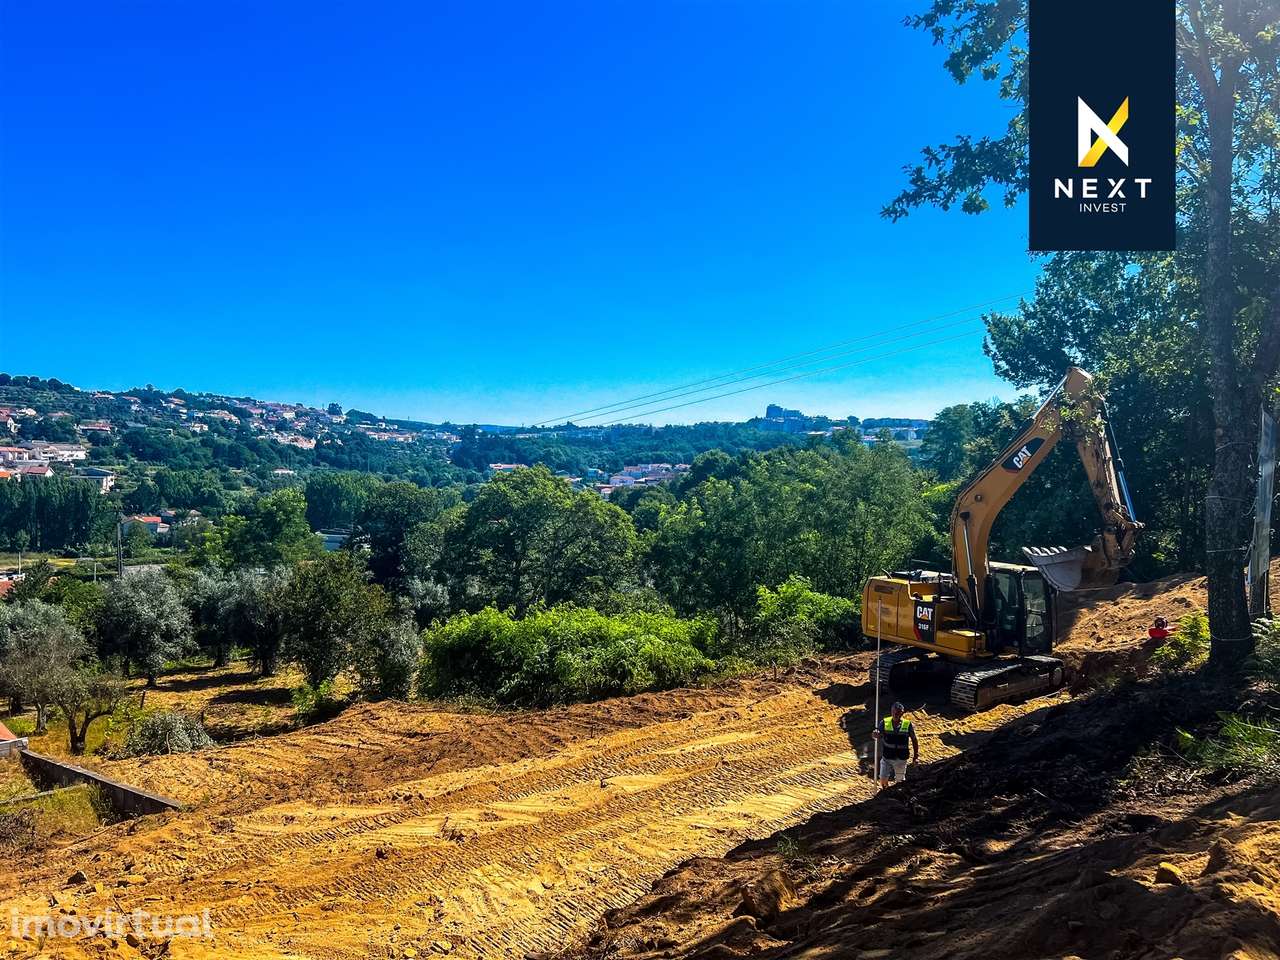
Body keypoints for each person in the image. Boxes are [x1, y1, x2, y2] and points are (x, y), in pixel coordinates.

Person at [872, 701, 918, 788]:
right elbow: (877, 733)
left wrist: (915, 755)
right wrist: (875, 734)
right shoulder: (884, 722)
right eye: (893, 712)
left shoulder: (907, 724)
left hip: (901, 758)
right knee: (882, 778)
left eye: (898, 713)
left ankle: (897, 795)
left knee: (900, 781)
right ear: (891, 711)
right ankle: (885, 791)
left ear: (902, 713)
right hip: (887, 757)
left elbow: (914, 740)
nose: (895, 714)